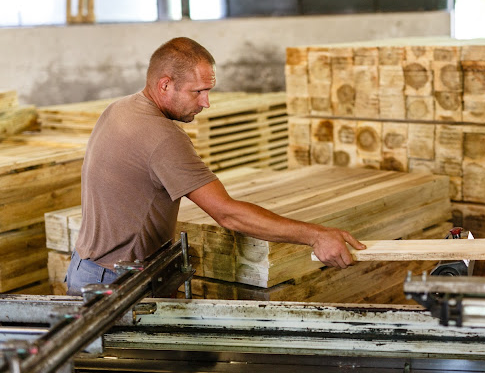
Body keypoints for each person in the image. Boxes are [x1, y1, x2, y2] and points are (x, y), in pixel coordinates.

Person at [65, 37, 365, 296]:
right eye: (198, 92)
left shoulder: (120, 108)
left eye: (209, 90)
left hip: (87, 268)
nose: (206, 103)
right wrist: (316, 235)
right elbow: (227, 213)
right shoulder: (162, 137)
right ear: (165, 84)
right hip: (117, 283)